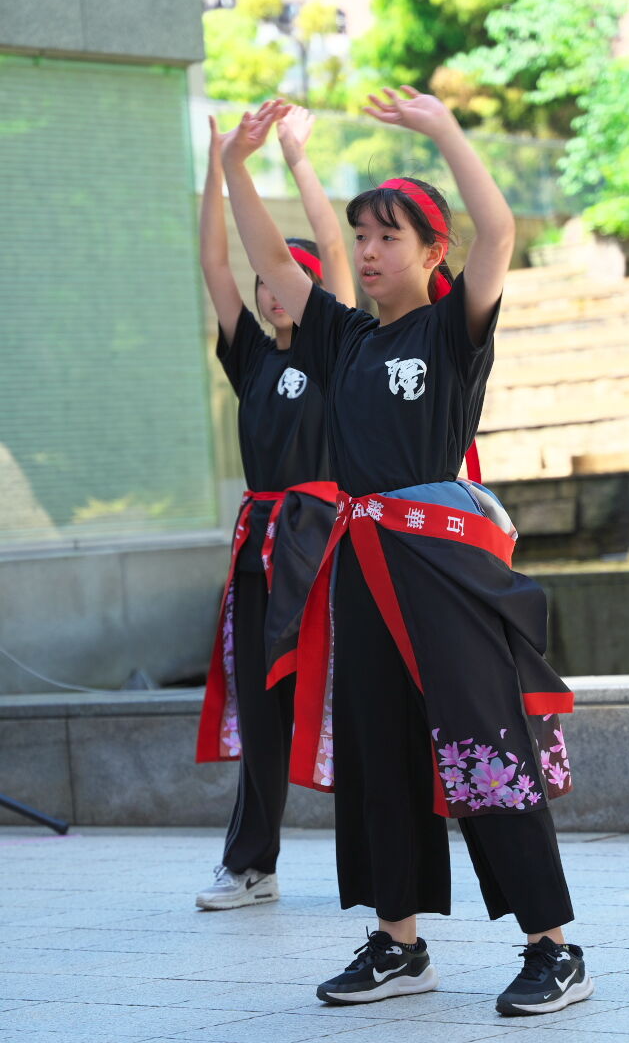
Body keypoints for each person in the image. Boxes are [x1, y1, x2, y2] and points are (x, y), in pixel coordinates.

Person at [220, 90, 594, 1017]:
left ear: (433, 253)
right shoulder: (341, 336)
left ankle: (554, 949)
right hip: (358, 565)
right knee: (379, 751)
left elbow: (499, 231)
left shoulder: (453, 330)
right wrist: (235, 166)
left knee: (483, 745)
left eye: (389, 236)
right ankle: (399, 943)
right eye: (361, 236)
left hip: (444, 571)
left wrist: (443, 130)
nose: (370, 251)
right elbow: (269, 261)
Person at [194, 105, 354, 911]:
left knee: (352, 700)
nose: (271, 287)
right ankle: (251, 864)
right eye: (266, 278)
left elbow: (333, 249)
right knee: (261, 706)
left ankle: (391, 865)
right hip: (260, 545)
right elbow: (214, 262)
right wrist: (219, 163)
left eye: (287, 276)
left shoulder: (339, 348)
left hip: (326, 547)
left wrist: (295, 158)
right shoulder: (252, 358)